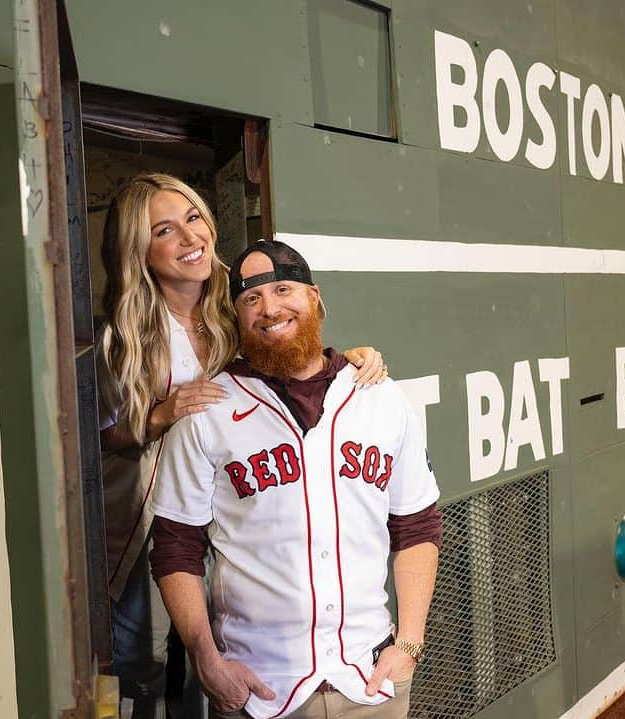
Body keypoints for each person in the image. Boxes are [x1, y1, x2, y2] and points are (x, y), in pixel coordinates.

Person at [97, 175, 387, 719]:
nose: (190, 236)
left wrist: (348, 361)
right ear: (141, 250)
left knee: (223, 666)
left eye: (193, 218)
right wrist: (162, 415)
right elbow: (97, 437)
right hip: (147, 529)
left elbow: (289, 353)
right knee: (148, 669)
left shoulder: (233, 309)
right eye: (164, 230)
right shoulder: (124, 335)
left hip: (234, 522)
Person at [149, 240, 442, 718]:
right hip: (259, 688)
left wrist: (408, 644)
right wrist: (206, 659)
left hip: (369, 678)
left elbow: (416, 525)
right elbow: (175, 546)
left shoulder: (380, 397)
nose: (269, 308)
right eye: (251, 299)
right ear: (238, 316)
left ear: (314, 297)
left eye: (283, 289)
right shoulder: (208, 410)